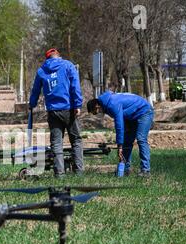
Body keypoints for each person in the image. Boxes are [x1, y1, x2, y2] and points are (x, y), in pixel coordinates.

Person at [29, 48, 84, 178]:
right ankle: (78, 172)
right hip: (69, 109)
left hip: (53, 111)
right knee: (76, 140)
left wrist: (32, 104)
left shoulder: (42, 71)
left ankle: (59, 174)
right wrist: (77, 104)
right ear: (58, 56)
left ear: (47, 59)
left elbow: (35, 90)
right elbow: (75, 86)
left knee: (57, 143)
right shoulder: (68, 65)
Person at [87, 92, 155, 177]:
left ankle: (145, 170)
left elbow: (119, 125)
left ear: (97, 106)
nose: (96, 114)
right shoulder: (106, 105)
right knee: (127, 142)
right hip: (131, 116)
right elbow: (123, 117)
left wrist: (119, 146)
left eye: (94, 112)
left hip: (144, 112)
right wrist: (122, 143)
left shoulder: (111, 104)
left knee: (141, 139)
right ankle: (125, 170)